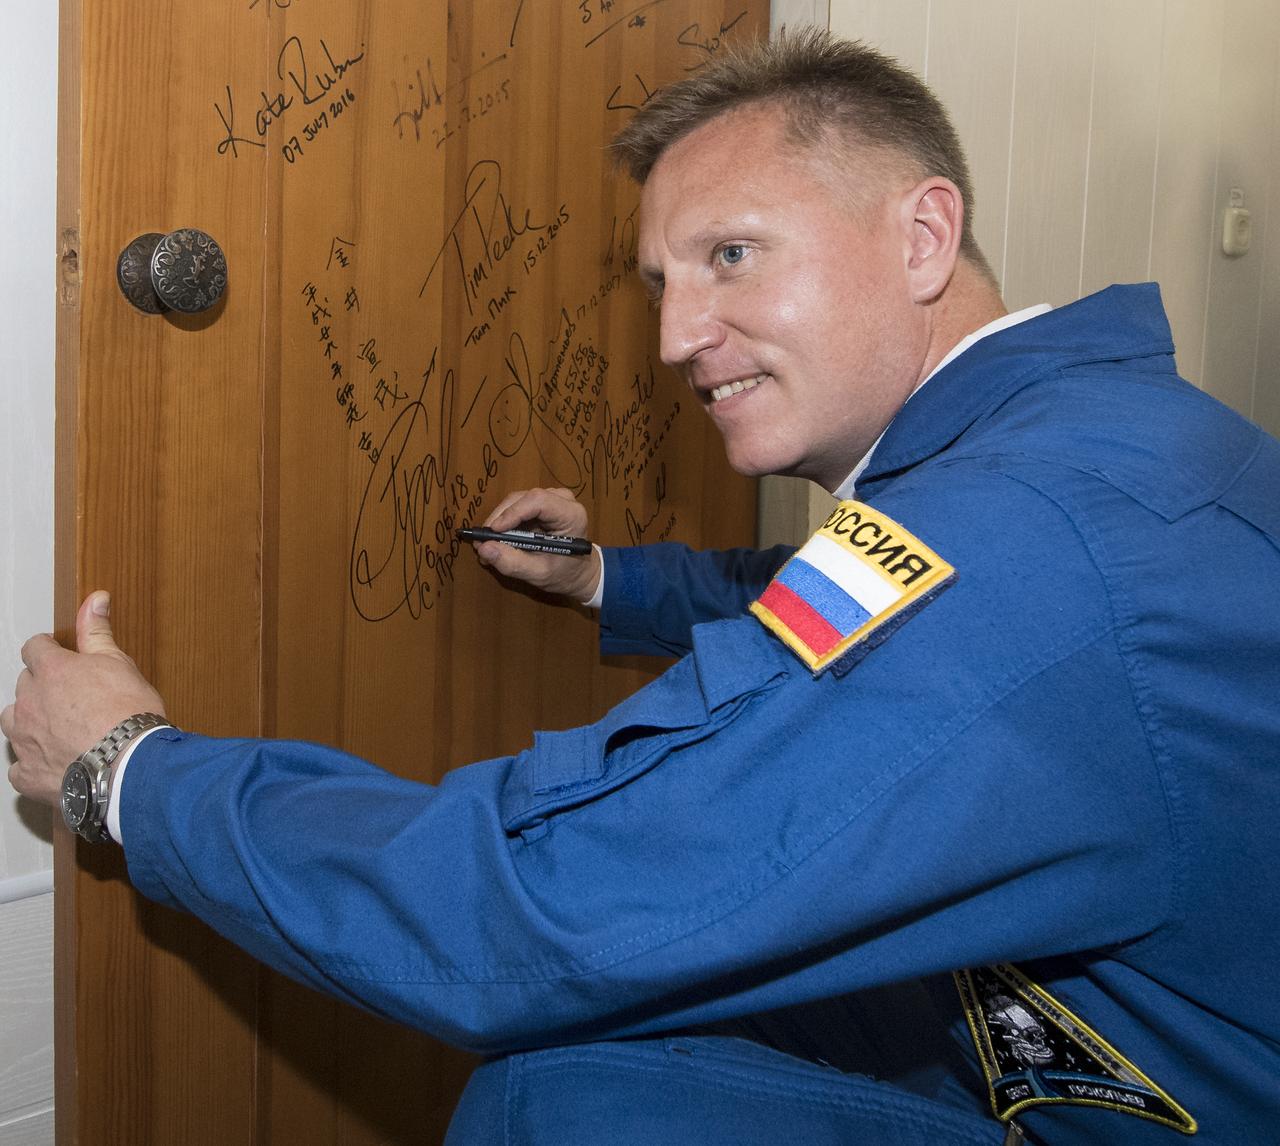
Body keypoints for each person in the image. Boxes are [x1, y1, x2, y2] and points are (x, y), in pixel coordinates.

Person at [5, 28, 1278, 1145]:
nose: (675, 337)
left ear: (922, 235)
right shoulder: (1070, 447)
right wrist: (609, 580)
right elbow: (847, 617)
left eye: (732, 255)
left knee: (557, 1095)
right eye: (665, 285)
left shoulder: (1030, 553)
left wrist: (129, 771)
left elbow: (541, 905)